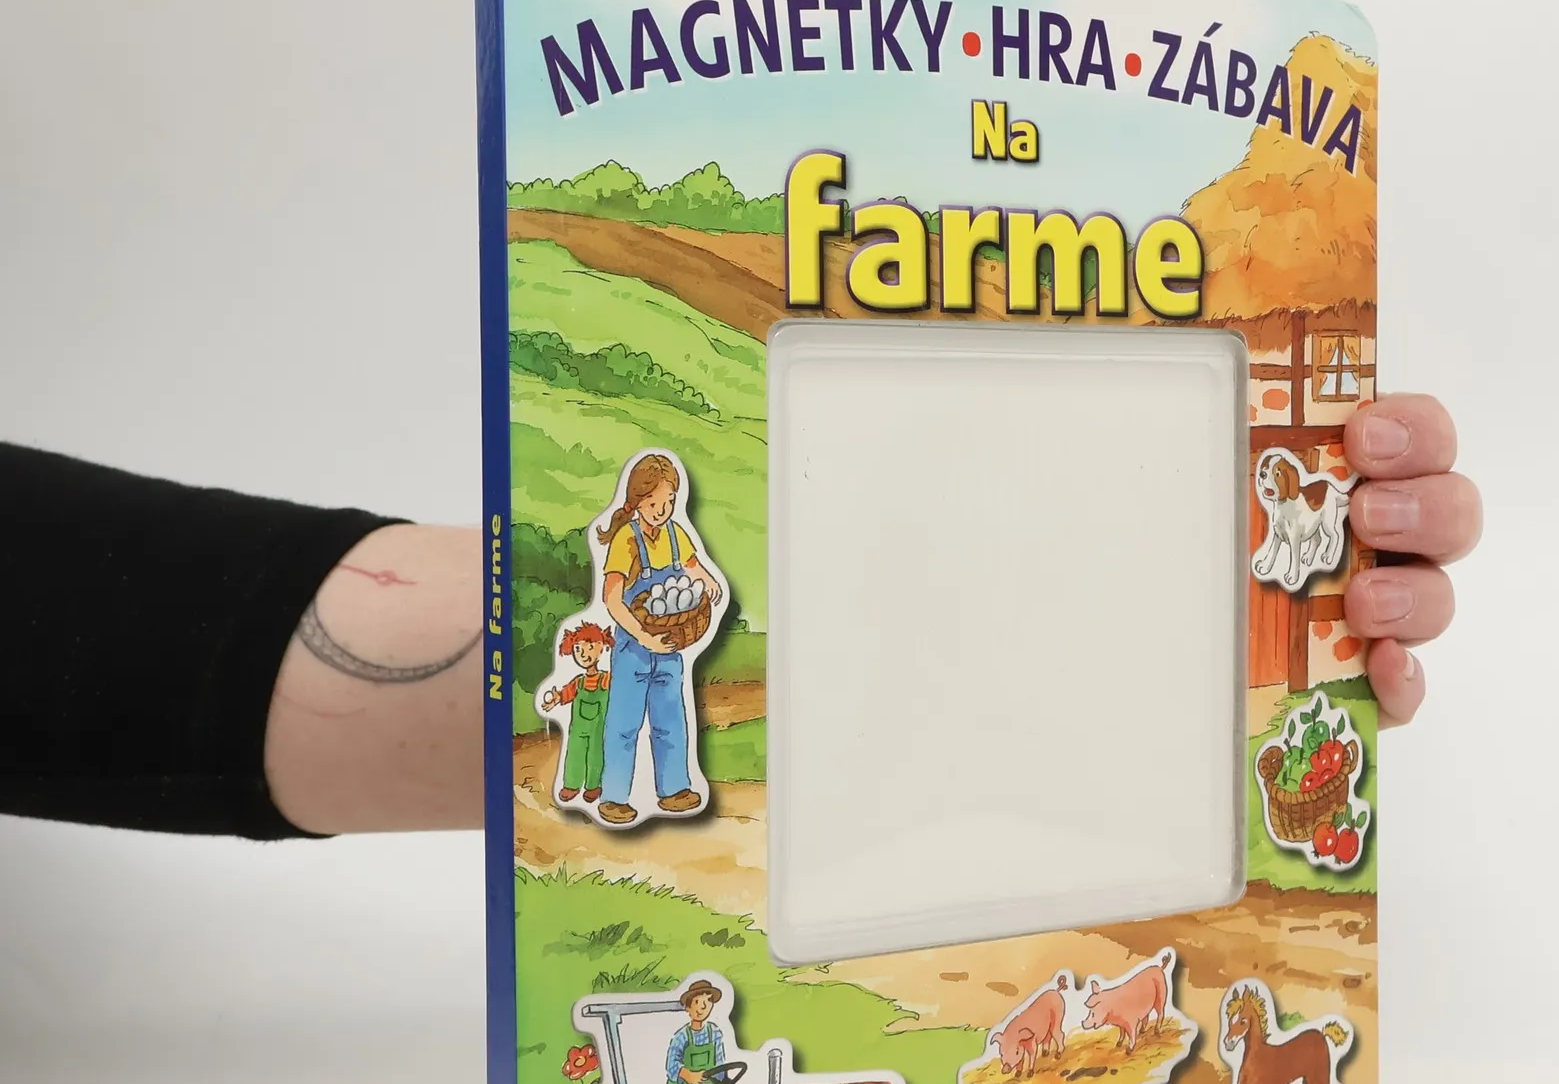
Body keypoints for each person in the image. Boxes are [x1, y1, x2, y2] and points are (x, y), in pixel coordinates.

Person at [0, 395, 1480, 837]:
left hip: (665, 651)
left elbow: (131, 618)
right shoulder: (637, 545)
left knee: (651, 736)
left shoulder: (665, 547)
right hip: (641, 657)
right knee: (631, 738)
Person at [594, 452, 725, 826]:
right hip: (633, 648)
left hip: (670, 644)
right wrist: (643, 637)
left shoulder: (675, 534)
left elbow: (693, 567)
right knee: (624, 723)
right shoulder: (626, 540)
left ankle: (674, 790)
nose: (661, 510)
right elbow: (612, 599)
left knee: (671, 718)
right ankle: (614, 797)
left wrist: (708, 582)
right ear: (637, 501)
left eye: (668, 502)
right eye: (653, 503)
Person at [540, 620, 615, 803]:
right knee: (574, 753)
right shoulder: (579, 682)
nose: (583, 654)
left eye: (590, 647)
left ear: (601, 648)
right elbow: (565, 694)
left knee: (595, 754)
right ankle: (571, 785)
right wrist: (555, 699)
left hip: (598, 729)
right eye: (578, 649)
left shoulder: (606, 680)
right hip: (578, 729)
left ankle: (593, 786)